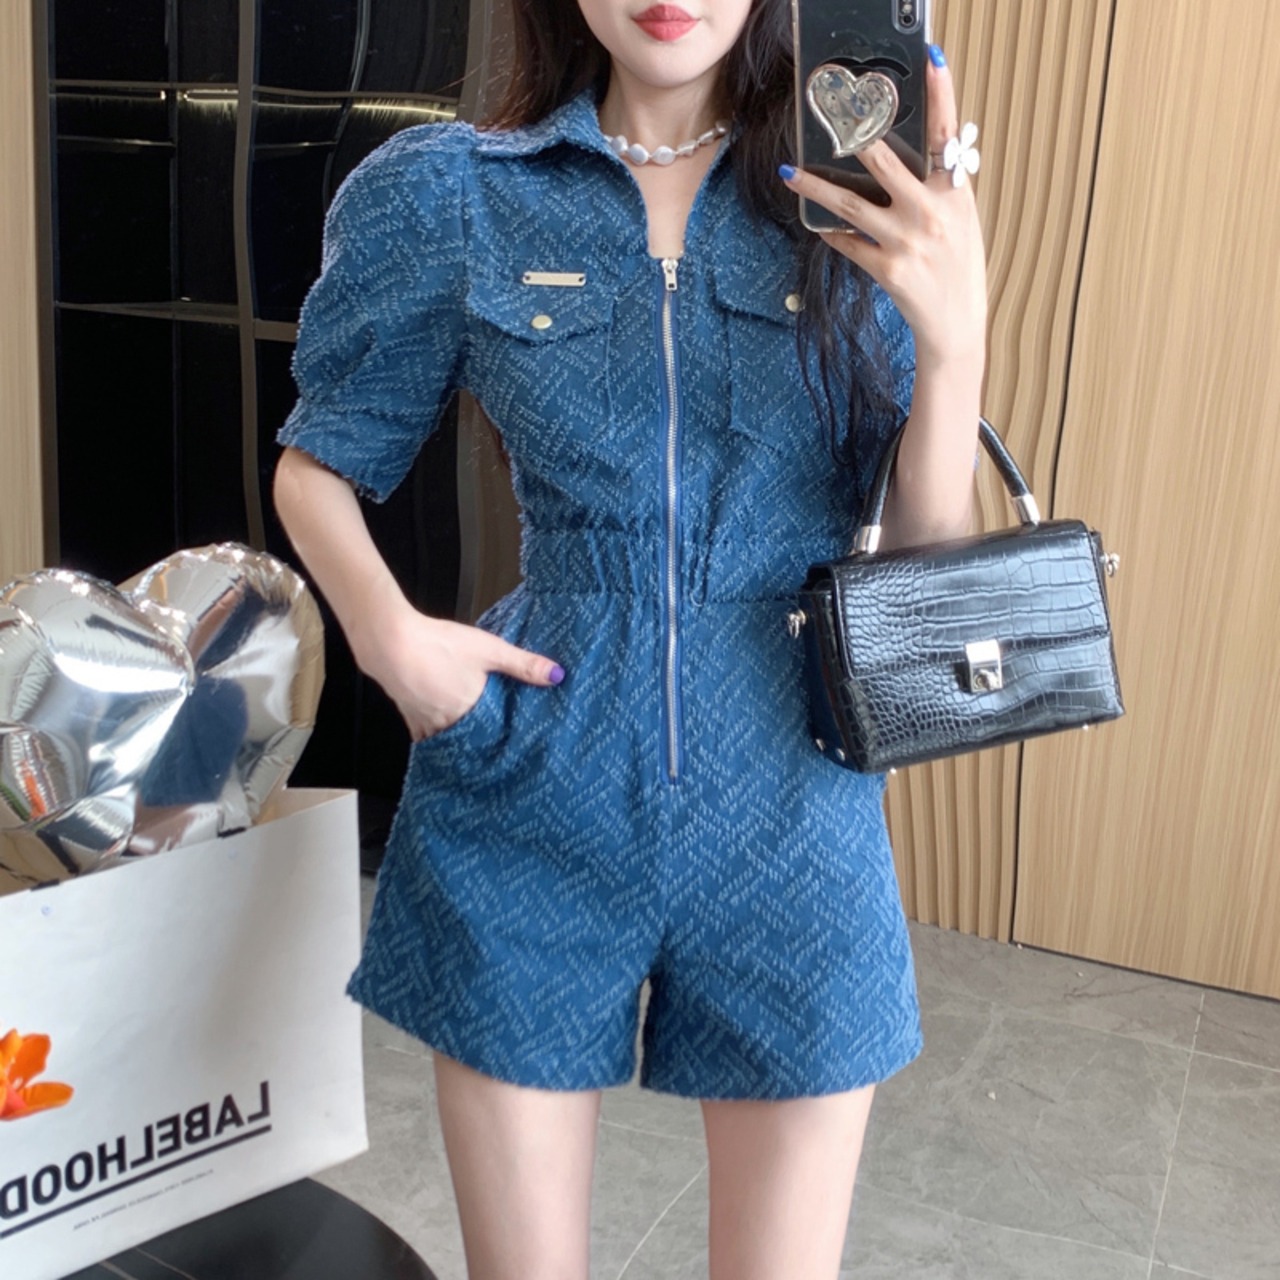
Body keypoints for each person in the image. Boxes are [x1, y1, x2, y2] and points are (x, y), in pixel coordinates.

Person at [272, 0, 986, 1275]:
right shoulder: (455, 195)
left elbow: (924, 557)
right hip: (534, 781)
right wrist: (394, 643)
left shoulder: (853, 198)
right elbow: (317, 463)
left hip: (794, 808)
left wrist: (955, 340)